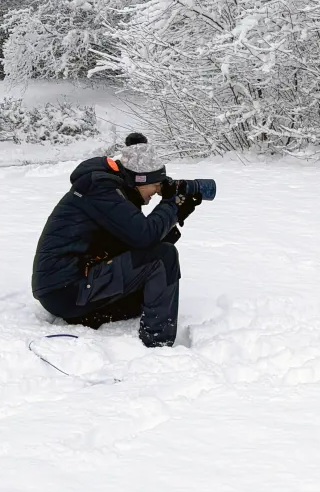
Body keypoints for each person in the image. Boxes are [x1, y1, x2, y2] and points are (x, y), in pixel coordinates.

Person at [31, 133, 200, 347]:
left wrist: (176, 213)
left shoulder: (112, 189)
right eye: (156, 185)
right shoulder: (101, 188)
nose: (157, 191)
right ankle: (158, 344)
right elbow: (144, 236)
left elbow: (135, 243)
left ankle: (88, 316)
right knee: (164, 257)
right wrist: (171, 205)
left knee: (145, 293)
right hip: (66, 290)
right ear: (140, 180)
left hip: (68, 287)